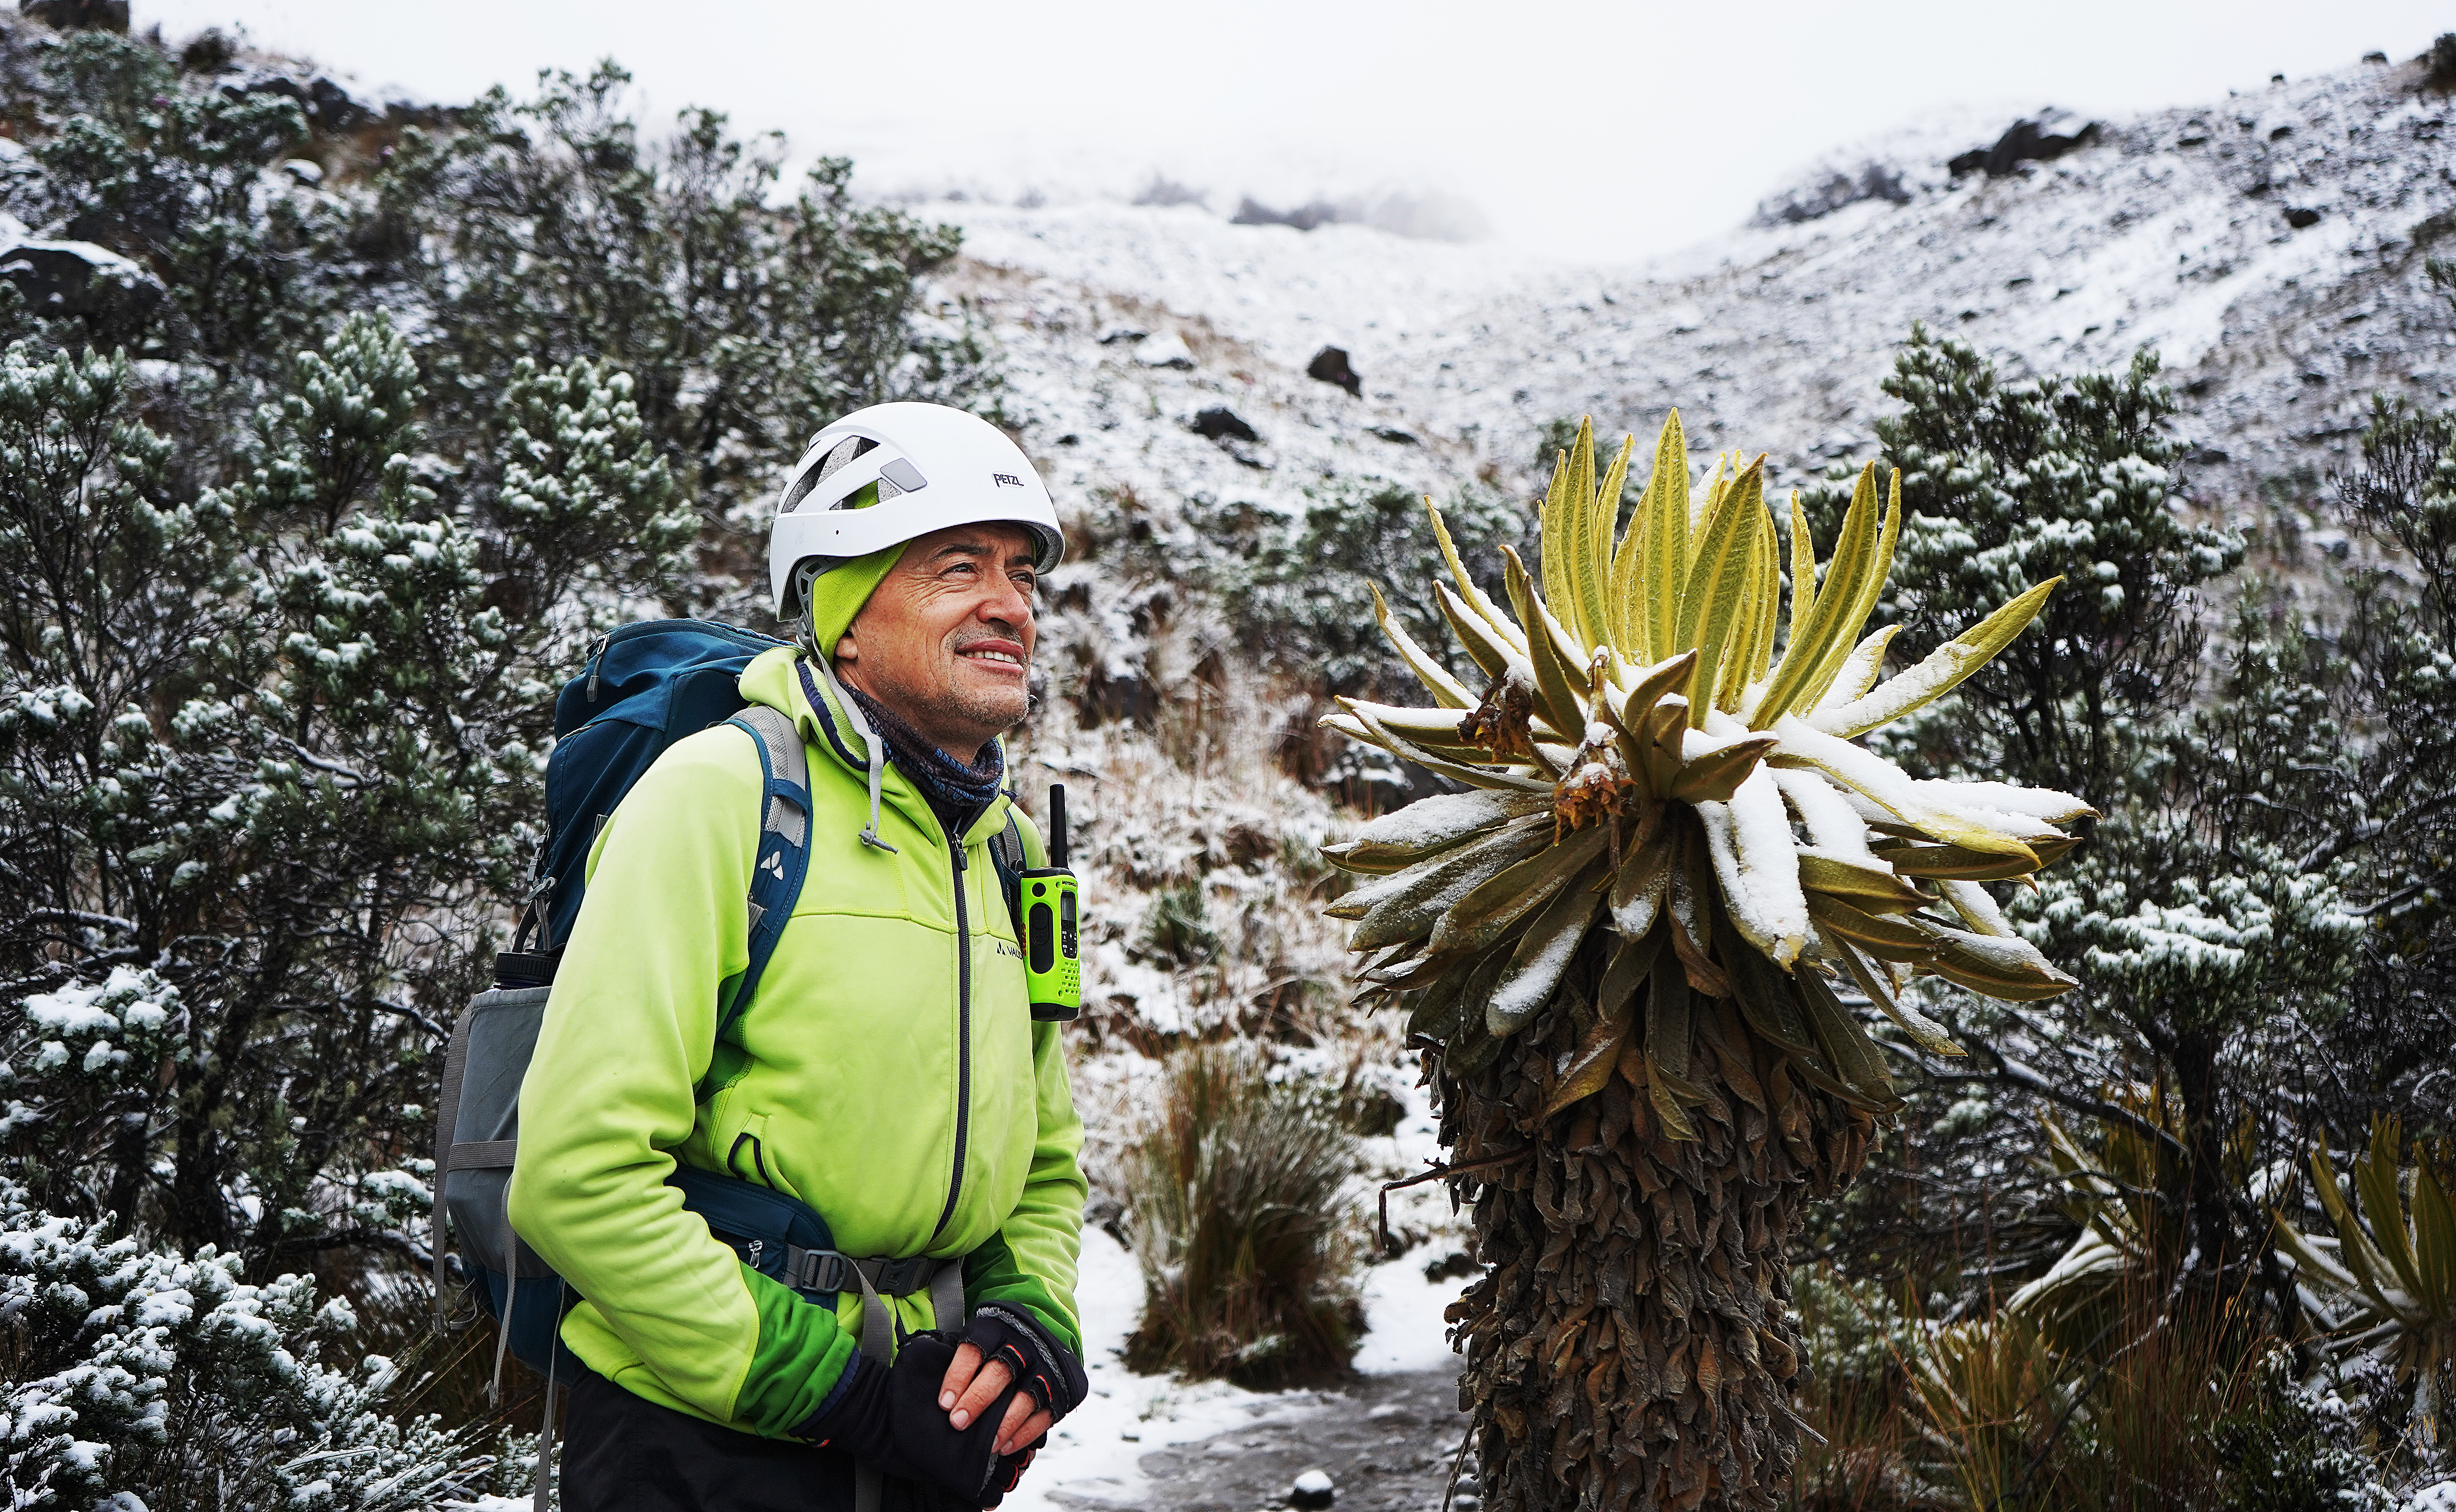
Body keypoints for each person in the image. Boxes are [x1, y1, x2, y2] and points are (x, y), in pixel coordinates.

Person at [507, 402, 1090, 1512]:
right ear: (843, 609)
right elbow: (576, 1175)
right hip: (700, 1443)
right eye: (958, 565)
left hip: (925, 1441)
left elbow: (1046, 1163)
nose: (1008, 603)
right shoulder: (720, 797)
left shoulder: (1004, 850)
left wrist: (1032, 1325)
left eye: (1020, 572)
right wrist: (844, 1392)